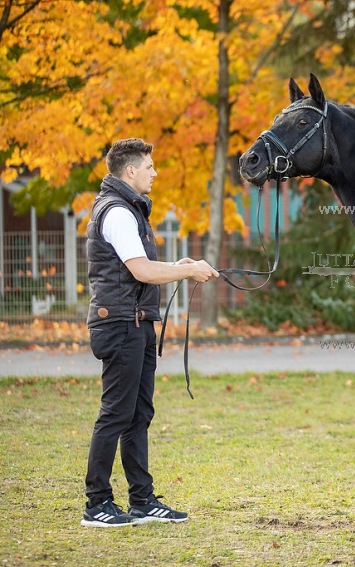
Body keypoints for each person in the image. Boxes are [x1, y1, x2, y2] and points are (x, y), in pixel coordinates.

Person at [81, 138, 219, 528]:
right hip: (120, 324)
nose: (154, 172)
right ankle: (97, 504)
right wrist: (188, 271)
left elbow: (136, 269)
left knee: (138, 414)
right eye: (150, 166)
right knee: (116, 414)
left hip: (137, 322)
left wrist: (179, 263)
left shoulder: (130, 210)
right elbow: (141, 270)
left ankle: (142, 500)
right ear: (130, 171)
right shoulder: (118, 212)